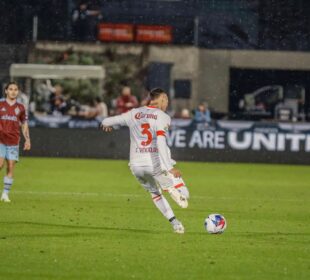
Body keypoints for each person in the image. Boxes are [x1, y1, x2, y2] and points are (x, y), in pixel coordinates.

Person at [101, 88, 189, 234]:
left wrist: (106, 124)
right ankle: (169, 186)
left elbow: (107, 120)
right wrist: (169, 167)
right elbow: (160, 142)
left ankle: (176, 223)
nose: (167, 103)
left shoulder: (133, 113)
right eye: (166, 99)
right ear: (161, 98)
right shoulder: (163, 116)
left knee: (155, 193)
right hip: (154, 163)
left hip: (136, 166)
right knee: (183, 193)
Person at [0, 82, 31, 202]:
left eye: (15, 89)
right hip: (0, 140)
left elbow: (24, 124)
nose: (13, 91)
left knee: (10, 166)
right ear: (6, 91)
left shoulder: (21, 108)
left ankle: (5, 194)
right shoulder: (0, 104)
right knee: (0, 164)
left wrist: (27, 139)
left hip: (13, 141)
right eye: (11, 89)